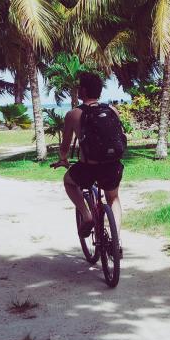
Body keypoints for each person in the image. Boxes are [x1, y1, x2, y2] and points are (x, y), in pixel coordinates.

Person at [50, 71, 124, 241]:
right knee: (113, 198)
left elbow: (65, 145)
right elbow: (119, 136)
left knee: (68, 181)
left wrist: (63, 159)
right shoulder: (112, 110)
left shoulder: (73, 114)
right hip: (112, 166)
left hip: (88, 168)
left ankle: (86, 215)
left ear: (82, 90)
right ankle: (116, 241)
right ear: (99, 91)